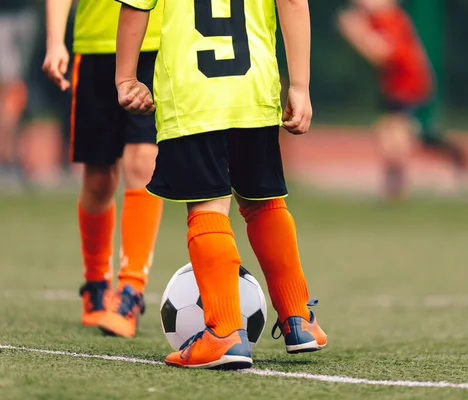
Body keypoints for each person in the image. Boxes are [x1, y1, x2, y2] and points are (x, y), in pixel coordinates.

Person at [115, 0, 327, 370]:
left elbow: (135, 7)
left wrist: (126, 78)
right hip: (255, 89)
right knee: (264, 201)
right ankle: (300, 321)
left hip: (192, 94)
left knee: (207, 205)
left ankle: (224, 332)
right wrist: (301, 85)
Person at [42, 0, 164, 338]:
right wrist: (55, 41)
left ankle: (131, 289)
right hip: (95, 46)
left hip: (158, 45)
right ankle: (97, 283)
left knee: (143, 159)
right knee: (98, 179)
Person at [338, 0, 468, 200]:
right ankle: (452, 153)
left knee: (392, 134)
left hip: (407, 83)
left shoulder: (390, 18)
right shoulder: (381, 18)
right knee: (406, 134)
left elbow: (382, 54)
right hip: (396, 84)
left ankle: (396, 187)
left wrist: (356, 33)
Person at [0, 0, 38, 179]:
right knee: (8, 87)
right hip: (4, 15)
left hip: (25, 12)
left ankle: (12, 158)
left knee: (17, 88)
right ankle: (7, 159)